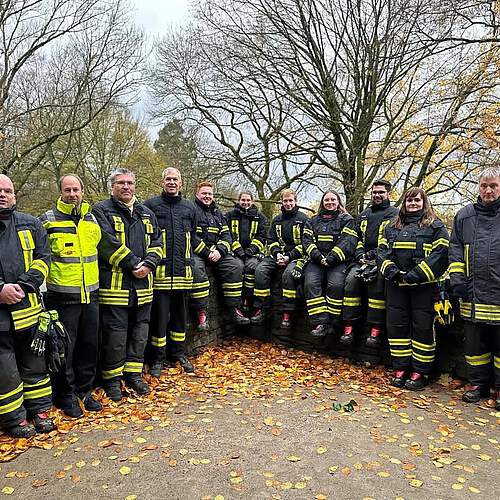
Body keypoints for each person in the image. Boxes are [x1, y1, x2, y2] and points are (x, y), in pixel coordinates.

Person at [92, 168, 163, 401]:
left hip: (144, 288)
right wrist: (134, 264)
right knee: (115, 336)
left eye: (130, 183)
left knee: (140, 333)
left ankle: (133, 374)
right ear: (112, 186)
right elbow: (105, 243)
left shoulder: (146, 212)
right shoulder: (101, 211)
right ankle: (112, 380)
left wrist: (149, 264)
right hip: (115, 288)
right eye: (121, 183)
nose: (126, 187)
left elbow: (158, 242)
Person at [40, 174, 103, 417]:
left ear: (83, 191)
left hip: (91, 295)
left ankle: (85, 392)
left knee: (89, 346)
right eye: (67, 190)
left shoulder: (91, 219)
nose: (72, 194)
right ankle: (66, 395)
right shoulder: (47, 220)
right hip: (63, 298)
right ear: (60, 192)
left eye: (76, 189)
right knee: (64, 351)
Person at [377, 187, 449, 390]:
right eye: (409, 200)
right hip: (396, 286)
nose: (413, 204)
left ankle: (420, 371)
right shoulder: (391, 226)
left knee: (423, 327)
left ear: (424, 203)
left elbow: (441, 255)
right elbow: (381, 252)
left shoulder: (436, 227)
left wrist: (416, 275)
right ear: (404, 203)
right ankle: (401, 368)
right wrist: (391, 271)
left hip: (424, 288)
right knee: (396, 326)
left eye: (417, 200)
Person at [0, 174, 55, 437]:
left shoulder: (31, 224)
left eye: (8, 190)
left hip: (29, 311)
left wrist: (25, 284)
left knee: (36, 365)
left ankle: (41, 412)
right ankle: (16, 421)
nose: (3, 194)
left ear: (15, 195)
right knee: (6, 372)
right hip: (0, 318)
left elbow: (44, 259)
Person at [449, 167, 500, 410]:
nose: (488, 190)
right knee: (474, 344)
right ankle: (477, 385)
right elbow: (455, 248)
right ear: (478, 187)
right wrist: (457, 276)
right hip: (472, 291)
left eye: (494, 186)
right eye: (484, 186)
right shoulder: (464, 215)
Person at [144, 168, 198, 376]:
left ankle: (178, 354)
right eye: (168, 179)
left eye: (176, 179)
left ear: (181, 183)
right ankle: (157, 359)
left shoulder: (189, 208)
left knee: (179, 319)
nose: (172, 182)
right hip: (161, 274)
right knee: (159, 319)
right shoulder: (150, 207)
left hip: (183, 274)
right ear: (162, 182)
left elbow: (192, 237)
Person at [342, 180, 399, 346]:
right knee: (350, 283)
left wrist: (373, 256)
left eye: (381, 192)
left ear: (389, 194)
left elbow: (391, 240)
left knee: (376, 288)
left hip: (383, 261)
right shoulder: (364, 214)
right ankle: (349, 327)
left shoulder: (395, 214)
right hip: (362, 261)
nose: (377, 195)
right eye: (374, 192)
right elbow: (356, 237)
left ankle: (376, 330)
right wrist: (360, 254)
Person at [190, 181, 249, 328]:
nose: (207, 196)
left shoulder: (217, 212)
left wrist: (220, 251)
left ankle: (234, 309)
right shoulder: (190, 210)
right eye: (204, 193)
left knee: (235, 266)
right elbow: (190, 236)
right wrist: (207, 252)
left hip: (217, 252)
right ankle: (201, 313)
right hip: (198, 253)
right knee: (196, 270)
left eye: (210, 194)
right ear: (197, 194)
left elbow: (227, 235)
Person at [302, 190, 357, 337]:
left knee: (336, 285)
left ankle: (333, 322)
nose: (330, 202)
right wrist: (318, 257)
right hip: (316, 261)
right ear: (322, 202)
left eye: (333, 199)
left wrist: (332, 258)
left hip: (338, 261)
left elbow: (348, 242)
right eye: (327, 200)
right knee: (310, 284)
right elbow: (306, 241)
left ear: (338, 202)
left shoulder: (347, 219)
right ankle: (322, 322)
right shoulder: (312, 220)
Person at [252, 189, 308, 327]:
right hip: (277, 256)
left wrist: (289, 257)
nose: (288, 203)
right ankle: (262, 308)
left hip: (296, 257)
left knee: (288, 275)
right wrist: (277, 254)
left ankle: (287, 313)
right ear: (281, 202)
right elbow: (271, 240)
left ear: (295, 201)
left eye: (290, 201)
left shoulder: (304, 219)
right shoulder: (277, 219)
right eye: (285, 201)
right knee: (260, 271)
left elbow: (306, 243)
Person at [225, 191, 268, 313]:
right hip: (235, 253)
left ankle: (248, 300)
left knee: (251, 268)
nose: (245, 202)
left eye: (248, 200)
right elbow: (227, 234)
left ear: (252, 201)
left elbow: (262, 236)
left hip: (253, 254)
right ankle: (236, 304)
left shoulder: (260, 217)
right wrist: (238, 250)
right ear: (239, 201)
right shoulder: (229, 215)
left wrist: (249, 251)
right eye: (243, 200)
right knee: (236, 269)